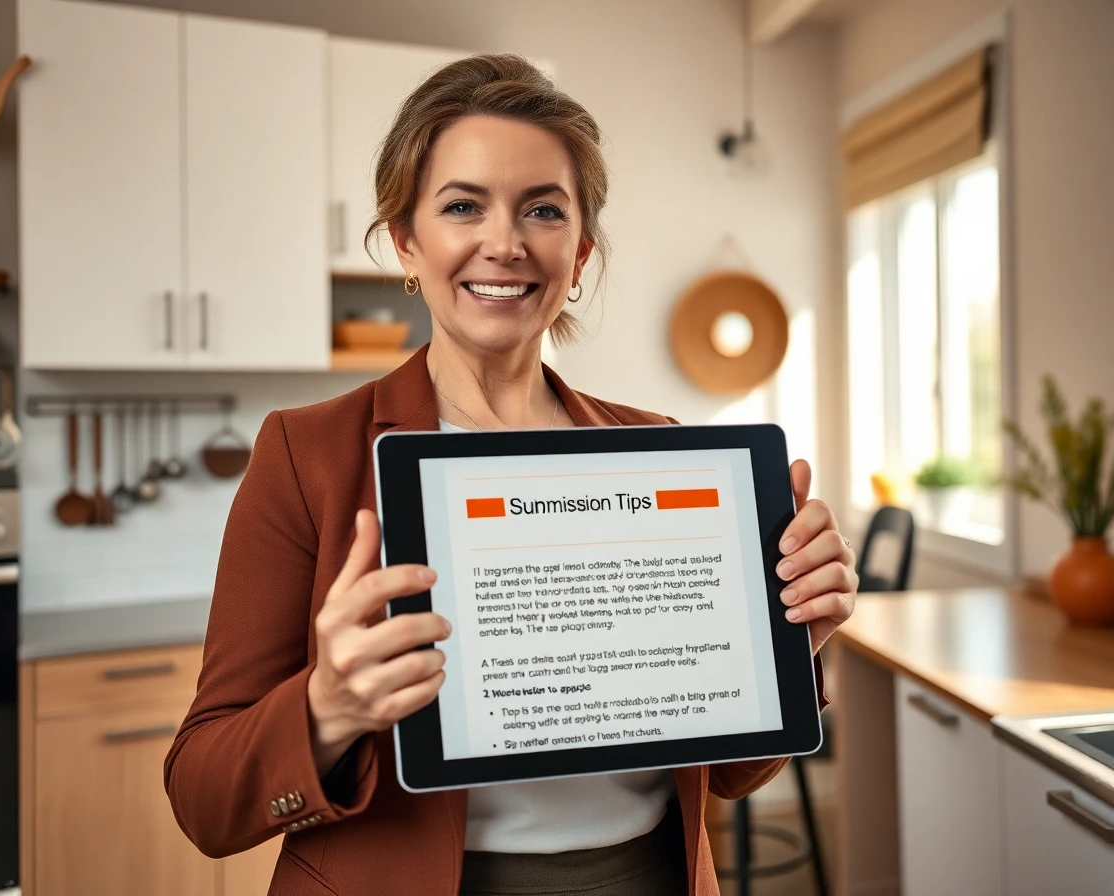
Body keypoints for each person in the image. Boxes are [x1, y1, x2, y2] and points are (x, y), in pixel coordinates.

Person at [165, 54, 857, 896]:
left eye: (543, 209)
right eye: (463, 206)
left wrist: (792, 647)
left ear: (580, 253)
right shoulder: (305, 455)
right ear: (407, 242)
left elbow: (730, 772)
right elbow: (202, 799)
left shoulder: (665, 452)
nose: (505, 243)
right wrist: (327, 709)